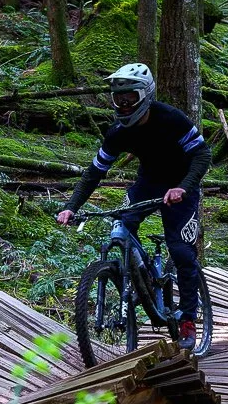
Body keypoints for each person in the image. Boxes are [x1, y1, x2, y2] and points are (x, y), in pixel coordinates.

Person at [55, 62, 212, 346]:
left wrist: (184, 187)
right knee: (120, 228)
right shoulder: (118, 132)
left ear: (146, 95)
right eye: (118, 99)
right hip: (148, 184)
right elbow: (95, 172)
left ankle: (188, 319)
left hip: (181, 185)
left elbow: (202, 155)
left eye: (130, 98)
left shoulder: (171, 119)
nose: (124, 105)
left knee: (180, 251)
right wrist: (71, 206)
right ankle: (140, 283)